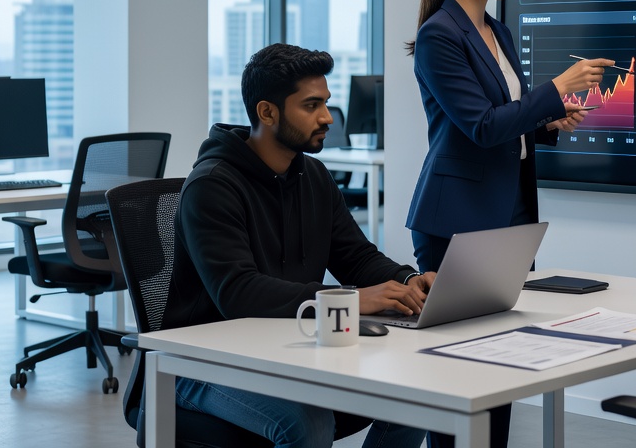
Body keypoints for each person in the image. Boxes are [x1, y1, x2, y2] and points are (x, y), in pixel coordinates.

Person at [405, 0, 611, 448]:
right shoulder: (439, 37)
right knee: (457, 374)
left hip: (507, 209)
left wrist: (546, 120)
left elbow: (506, 117)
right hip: (456, 218)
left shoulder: (494, 29)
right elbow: (478, 125)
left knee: (501, 365)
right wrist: (555, 87)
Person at [165, 43, 436, 448]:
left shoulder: (313, 176)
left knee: (415, 394)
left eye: (326, 103)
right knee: (306, 425)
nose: (327, 117)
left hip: (286, 349)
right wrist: (350, 299)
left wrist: (409, 281)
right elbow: (238, 294)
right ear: (267, 112)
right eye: (311, 106)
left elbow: (356, 257)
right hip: (198, 363)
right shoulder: (212, 187)